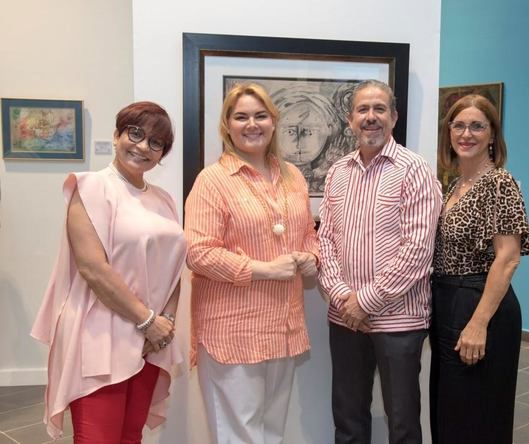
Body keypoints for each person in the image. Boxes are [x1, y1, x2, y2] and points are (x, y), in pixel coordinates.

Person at [30, 101, 187, 442]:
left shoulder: (164, 199)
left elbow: (176, 266)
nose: (143, 146)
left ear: (162, 154)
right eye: (135, 133)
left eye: (156, 142)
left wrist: (165, 325)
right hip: (100, 333)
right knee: (98, 437)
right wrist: (148, 321)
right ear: (116, 136)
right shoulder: (90, 188)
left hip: (151, 340)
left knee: (131, 436)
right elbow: (93, 269)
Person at [184, 82, 319, 444]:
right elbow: (197, 251)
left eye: (260, 115)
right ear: (227, 126)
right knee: (238, 434)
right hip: (232, 328)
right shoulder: (212, 181)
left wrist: (311, 257)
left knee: (271, 430)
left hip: (283, 325)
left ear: (273, 122)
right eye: (241, 116)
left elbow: (308, 234)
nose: (252, 124)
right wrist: (264, 269)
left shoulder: (293, 177)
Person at [318, 79, 442, 443]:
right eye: (362, 109)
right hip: (344, 319)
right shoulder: (338, 171)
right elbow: (325, 240)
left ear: (394, 117)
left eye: (379, 109)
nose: (370, 117)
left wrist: (366, 301)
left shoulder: (414, 169)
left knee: (402, 423)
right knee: (348, 417)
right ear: (349, 118)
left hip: (399, 321)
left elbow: (418, 248)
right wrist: (344, 298)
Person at [430, 94, 529, 443]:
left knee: (478, 417)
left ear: (492, 135)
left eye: (477, 126)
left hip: (479, 304)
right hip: (447, 302)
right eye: (458, 125)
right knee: (450, 410)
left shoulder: (500, 183)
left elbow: (507, 258)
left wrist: (477, 323)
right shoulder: (455, 185)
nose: (466, 133)